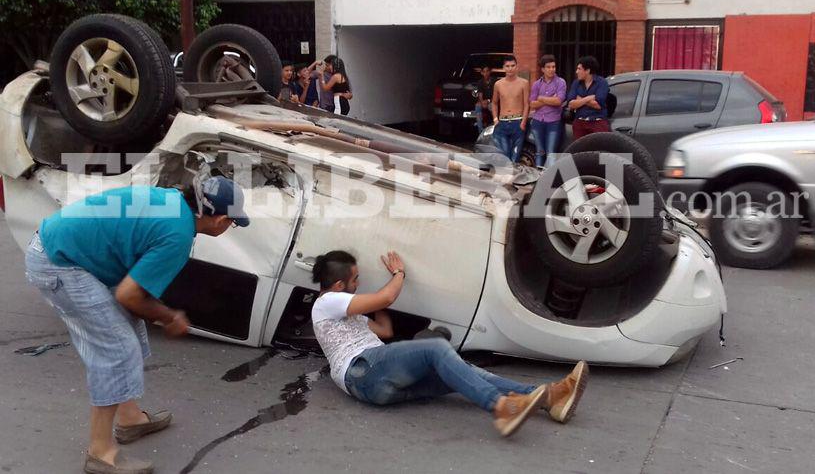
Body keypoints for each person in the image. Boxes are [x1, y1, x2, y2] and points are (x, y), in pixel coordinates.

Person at [24, 176, 250, 474]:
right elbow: (129, 294)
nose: (228, 227)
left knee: (128, 325)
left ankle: (129, 419)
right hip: (59, 262)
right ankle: (100, 453)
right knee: (116, 349)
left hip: (65, 247)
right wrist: (171, 317)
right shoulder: (178, 234)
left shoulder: (174, 200)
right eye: (232, 223)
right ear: (220, 220)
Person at [310, 250, 589, 437]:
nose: (358, 284)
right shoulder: (326, 303)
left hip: (375, 387)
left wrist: (376, 295)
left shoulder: (342, 311)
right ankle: (500, 408)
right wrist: (397, 275)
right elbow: (386, 300)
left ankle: (549, 397)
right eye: (355, 279)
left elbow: (384, 329)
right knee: (436, 348)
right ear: (337, 286)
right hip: (364, 369)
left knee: (459, 372)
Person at [529, 55, 567, 167]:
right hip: (538, 122)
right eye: (549, 67)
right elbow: (532, 104)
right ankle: (538, 178)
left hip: (553, 122)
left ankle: (549, 180)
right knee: (540, 152)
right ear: (543, 69)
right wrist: (550, 99)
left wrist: (540, 98)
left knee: (551, 153)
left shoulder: (560, 82)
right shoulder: (537, 84)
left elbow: (558, 101)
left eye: (553, 67)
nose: (552, 69)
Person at [491, 56, 530, 162]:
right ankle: (505, 177)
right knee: (504, 156)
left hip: (517, 122)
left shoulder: (524, 83)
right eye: (507, 66)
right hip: (502, 123)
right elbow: (494, 103)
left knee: (515, 158)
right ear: (503, 67)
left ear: (517, 67)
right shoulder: (498, 84)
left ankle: (513, 177)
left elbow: (527, 104)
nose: (510, 68)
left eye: (513, 66)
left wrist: (523, 123)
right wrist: (495, 120)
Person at [566, 56, 611, 140]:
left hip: (598, 121)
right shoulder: (576, 83)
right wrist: (588, 98)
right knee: (580, 150)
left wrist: (580, 99)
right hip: (580, 122)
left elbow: (598, 105)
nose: (576, 72)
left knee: (599, 150)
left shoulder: (601, 82)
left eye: (579, 69)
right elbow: (571, 104)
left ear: (587, 70)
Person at [474, 65, 495, 132]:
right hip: (484, 102)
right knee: (477, 106)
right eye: (484, 72)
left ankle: (496, 126)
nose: (486, 73)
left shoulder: (495, 81)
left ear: (490, 72)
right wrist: (482, 102)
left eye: (487, 71)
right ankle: (480, 130)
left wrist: (488, 101)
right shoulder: (480, 82)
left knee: (491, 106)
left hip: (492, 101)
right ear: (482, 73)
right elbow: (480, 94)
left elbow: (496, 95)